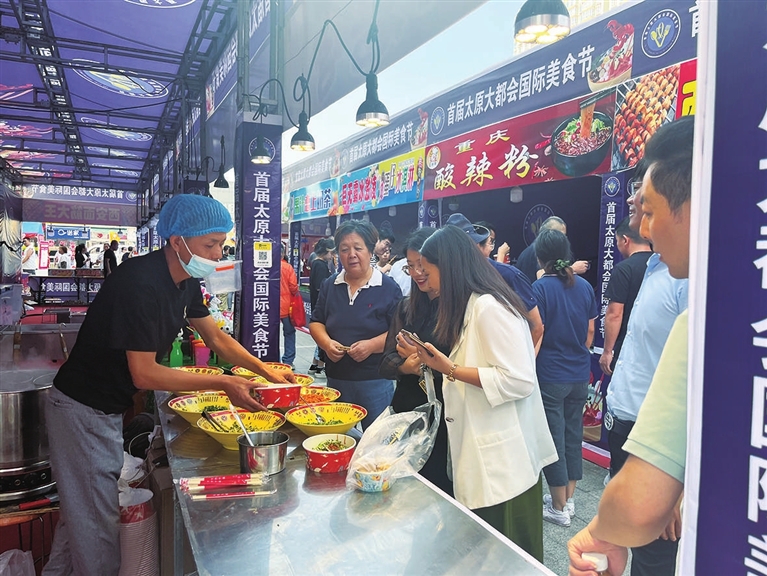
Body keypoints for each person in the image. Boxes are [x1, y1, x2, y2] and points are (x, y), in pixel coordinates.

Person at [43, 194, 294, 576]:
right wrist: (225, 383)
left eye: (221, 245)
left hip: (104, 409)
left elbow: (216, 338)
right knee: (96, 528)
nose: (217, 253)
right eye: (209, 245)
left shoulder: (187, 280)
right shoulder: (139, 282)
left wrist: (264, 371)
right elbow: (144, 373)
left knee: (82, 515)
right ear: (178, 241)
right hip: (81, 410)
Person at [568, 116, 693, 576]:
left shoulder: (705, 309)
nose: (644, 227)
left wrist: (599, 531)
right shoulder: (664, 268)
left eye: (651, 211)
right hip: (636, 422)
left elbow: (640, 504)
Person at [412, 225, 557, 561]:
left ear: (449, 268)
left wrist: (449, 369)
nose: (424, 279)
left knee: (506, 558)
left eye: (428, 270)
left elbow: (519, 380)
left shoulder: (490, 307)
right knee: (485, 557)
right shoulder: (471, 307)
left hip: (504, 469)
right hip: (488, 462)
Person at [599, 166, 687, 574]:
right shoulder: (655, 268)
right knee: (629, 538)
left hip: (657, 443)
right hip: (627, 423)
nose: (635, 221)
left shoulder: (689, 283)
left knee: (654, 552)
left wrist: (674, 479)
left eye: (646, 210)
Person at [379, 227, 453, 494]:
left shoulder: (458, 311)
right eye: (410, 266)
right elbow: (386, 360)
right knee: (403, 484)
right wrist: (405, 366)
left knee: (439, 488)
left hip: (446, 416)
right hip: (408, 410)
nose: (418, 273)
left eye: (423, 265)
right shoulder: (407, 306)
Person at [532, 228, 598, 528]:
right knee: (573, 437)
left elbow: (537, 331)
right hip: (578, 373)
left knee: (553, 439)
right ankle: (567, 499)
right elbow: (589, 333)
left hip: (550, 374)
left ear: (539, 256)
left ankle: (559, 507)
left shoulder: (540, 289)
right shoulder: (584, 286)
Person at [309, 220, 402, 429]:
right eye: (344, 249)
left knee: (375, 442)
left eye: (358, 248)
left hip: (375, 380)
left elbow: (398, 333)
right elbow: (316, 322)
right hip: (337, 379)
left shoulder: (388, 288)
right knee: (339, 437)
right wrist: (326, 344)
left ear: (370, 251)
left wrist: (371, 346)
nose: (351, 254)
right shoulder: (330, 285)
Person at [447, 214, 544, 348]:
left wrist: (520, 361)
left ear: (476, 246)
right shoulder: (451, 280)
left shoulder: (509, 275)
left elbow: (536, 327)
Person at [598, 216, 653, 375]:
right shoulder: (661, 265)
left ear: (625, 240)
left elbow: (615, 313)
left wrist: (608, 351)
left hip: (628, 349)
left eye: (617, 242)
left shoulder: (623, 269)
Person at [516, 216, 589, 283]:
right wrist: (572, 269)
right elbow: (543, 277)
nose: (563, 240)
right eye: (560, 235)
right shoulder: (540, 250)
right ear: (549, 233)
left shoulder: (531, 249)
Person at [308, 237, 335, 374]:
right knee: (324, 336)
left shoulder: (317, 263)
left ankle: (315, 364)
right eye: (331, 253)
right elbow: (320, 286)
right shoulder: (320, 265)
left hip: (318, 305)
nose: (332, 256)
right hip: (321, 307)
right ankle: (320, 365)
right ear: (326, 252)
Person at [279, 242, 299, 368]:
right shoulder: (287, 267)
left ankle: (272, 357)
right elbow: (293, 287)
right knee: (289, 333)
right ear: (283, 253)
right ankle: (288, 361)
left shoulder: (267, 266)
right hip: (286, 307)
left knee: (270, 333)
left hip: (269, 307)